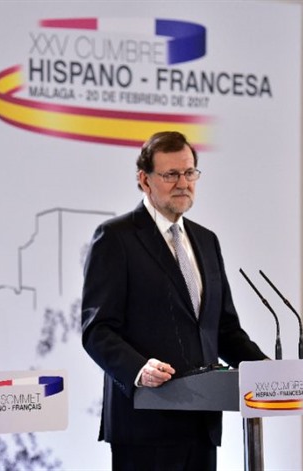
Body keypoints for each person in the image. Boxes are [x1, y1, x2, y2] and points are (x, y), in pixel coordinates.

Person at [81, 131, 268, 471]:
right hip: (144, 424)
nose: (183, 183)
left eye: (189, 172)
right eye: (171, 175)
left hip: (201, 423)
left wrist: (270, 372)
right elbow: (97, 330)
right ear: (144, 180)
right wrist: (138, 369)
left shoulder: (206, 241)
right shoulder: (116, 238)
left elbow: (223, 330)